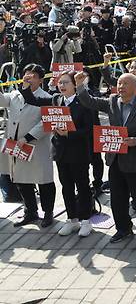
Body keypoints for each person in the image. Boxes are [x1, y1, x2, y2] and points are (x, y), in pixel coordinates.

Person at [75, 71, 136, 246]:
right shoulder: (112, 101)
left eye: (125, 84)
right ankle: (123, 228)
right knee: (117, 200)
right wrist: (80, 86)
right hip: (116, 160)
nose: (120, 87)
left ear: (135, 88)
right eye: (119, 83)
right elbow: (89, 101)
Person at [19, 71, 95, 237]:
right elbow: (33, 100)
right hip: (61, 152)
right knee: (66, 186)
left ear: (75, 85)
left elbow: (89, 129)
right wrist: (25, 86)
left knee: (82, 186)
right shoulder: (56, 100)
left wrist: (69, 133)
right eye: (60, 83)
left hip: (79, 151)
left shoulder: (84, 101)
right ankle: (72, 219)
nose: (62, 86)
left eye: (66, 83)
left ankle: (86, 220)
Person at [0, 64, 55, 228]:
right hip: (16, 146)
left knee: (43, 181)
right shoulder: (16, 95)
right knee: (21, 180)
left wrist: (28, 137)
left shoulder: (46, 97)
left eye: (33, 75)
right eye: (26, 74)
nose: (28, 77)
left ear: (40, 79)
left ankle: (48, 212)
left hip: (37, 146)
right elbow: (2, 101)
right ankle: (30, 211)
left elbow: (46, 123)